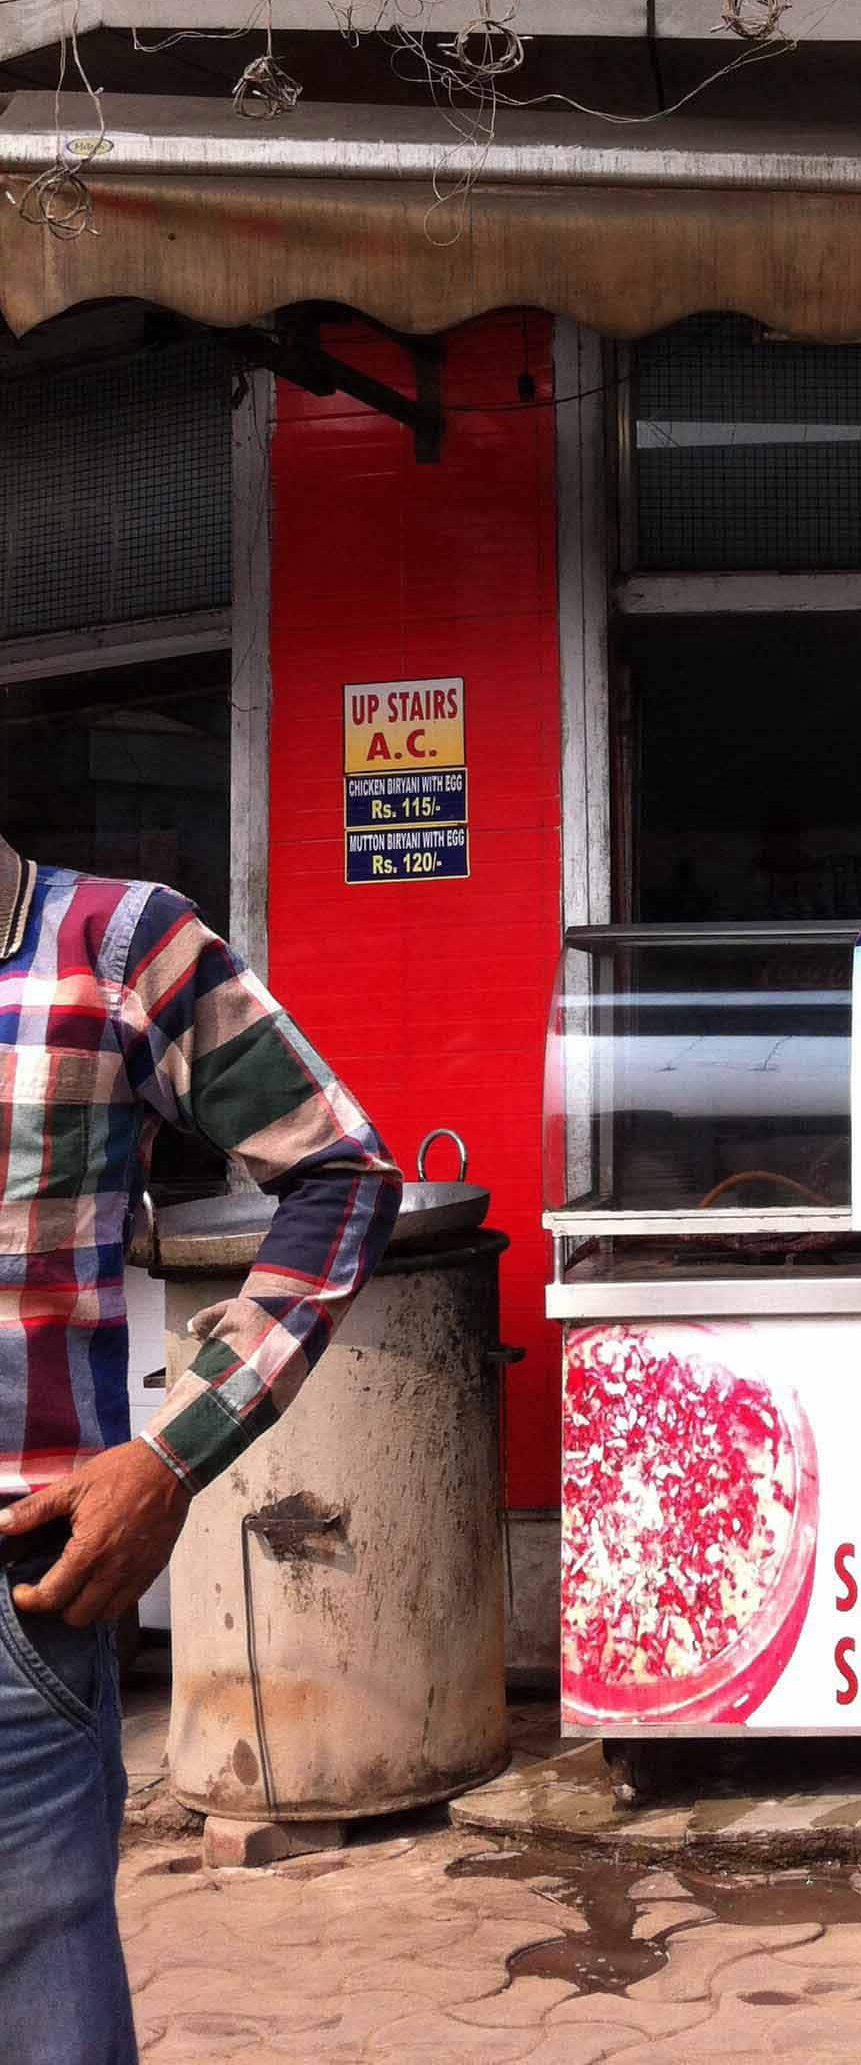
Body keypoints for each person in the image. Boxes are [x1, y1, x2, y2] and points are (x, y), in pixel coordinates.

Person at [0, 838, 401, 2064]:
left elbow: (340, 1174)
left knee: (41, 2013)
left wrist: (175, 1452)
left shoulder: (118, 946)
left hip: (17, 1599)